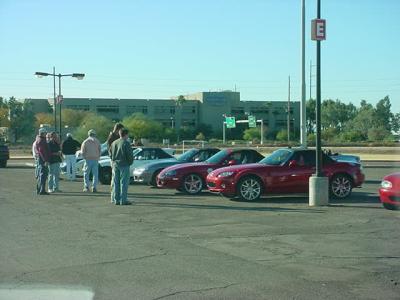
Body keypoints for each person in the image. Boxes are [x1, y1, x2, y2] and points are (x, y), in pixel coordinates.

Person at [110, 128, 134, 205]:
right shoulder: (126, 143)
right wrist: (130, 162)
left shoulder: (114, 143)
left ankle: (116, 199)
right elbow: (129, 155)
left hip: (115, 164)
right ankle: (123, 200)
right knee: (124, 183)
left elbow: (110, 154)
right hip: (124, 164)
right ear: (126, 134)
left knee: (116, 182)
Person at [106, 123, 125, 202]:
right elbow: (110, 149)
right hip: (115, 160)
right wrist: (113, 158)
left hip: (115, 159)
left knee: (115, 179)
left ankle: (115, 197)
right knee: (114, 179)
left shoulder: (114, 136)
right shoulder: (112, 137)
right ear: (118, 129)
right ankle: (113, 197)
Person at [35, 128, 52, 195]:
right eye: (45, 132)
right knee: (43, 175)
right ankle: (42, 190)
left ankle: (40, 189)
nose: (46, 134)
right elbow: (41, 151)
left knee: (41, 175)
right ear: (42, 133)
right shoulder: (41, 140)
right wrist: (45, 160)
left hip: (42, 160)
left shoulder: (40, 140)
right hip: (43, 160)